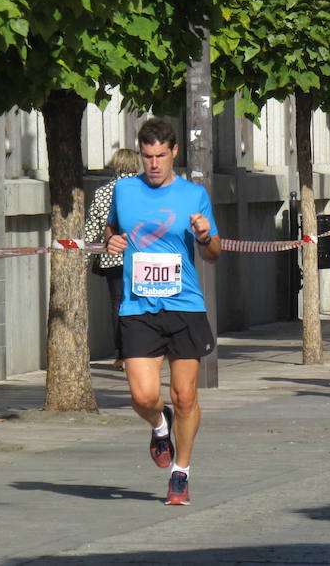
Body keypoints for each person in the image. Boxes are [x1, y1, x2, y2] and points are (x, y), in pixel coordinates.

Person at [105, 118, 220, 506]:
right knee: (142, 395)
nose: (153, 164)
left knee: (185, 396)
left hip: (184, 305)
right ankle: (159, 423)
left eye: (160, 156)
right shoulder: (124, 190)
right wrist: (113, 241)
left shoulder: (194, 195)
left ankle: (181, 474)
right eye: (147, 156)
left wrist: (205, 235)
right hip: (137, 306)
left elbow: (214, 252)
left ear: (174, 153)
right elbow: (110, 232)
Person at [85, 148, 140, 371]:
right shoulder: (146, 191)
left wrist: (85, 257)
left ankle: (122, 355)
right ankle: (141, 351)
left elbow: (92, 228)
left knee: (118, 304)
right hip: (142, 257)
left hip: (113, 258)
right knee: (141, 303)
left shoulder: (103, 192)